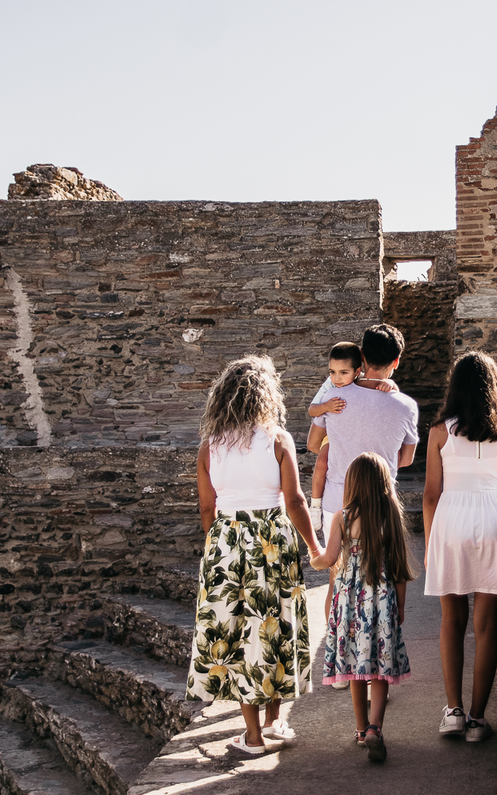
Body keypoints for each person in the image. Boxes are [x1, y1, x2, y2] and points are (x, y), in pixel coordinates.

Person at [185, 355, 322, 755]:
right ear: (267, 396)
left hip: (227, 541)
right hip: (271, 539)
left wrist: (220, 543)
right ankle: (274, 722)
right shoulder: (278, 439)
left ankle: (254, 736)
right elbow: (295, 501)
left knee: (239, 633)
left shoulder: (210, 447)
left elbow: (207, 509)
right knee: (273, 625)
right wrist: (314, 546)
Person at [307, 324, 419, 684]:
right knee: (381, 581)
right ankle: (376, 663)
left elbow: (312, 444)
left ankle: (339, 663)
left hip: (339, 501)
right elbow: (405, 460)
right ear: (397, 362)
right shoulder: (405, 405)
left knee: (337, 584)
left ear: (362, 359)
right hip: (382, 507)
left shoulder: (337, 394)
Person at [422, 351, 497, 743]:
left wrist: (432, 545)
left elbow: (430, 496)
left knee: (452, 622)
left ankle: (454, 712)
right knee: (486, 626)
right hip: (492, 520)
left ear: (455, 387)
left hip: (450, 522)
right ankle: (478, 721)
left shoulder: (440, 432)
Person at [311, 453, 415, 762]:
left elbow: (328, 559)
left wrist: (313, 556)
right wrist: (401, 608)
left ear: (352, 484)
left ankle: (359, 728)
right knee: (381, 668)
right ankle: (375, 728)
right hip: (382, 601)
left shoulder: (342, 517)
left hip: (350, 601)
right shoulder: (390, 517)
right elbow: (398, 568)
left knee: (355, 665)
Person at [305, 341, 397, 533]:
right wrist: (326, 407)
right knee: (322, 462)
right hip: (331, 434)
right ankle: (315, 505)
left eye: (343, 373)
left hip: (353, 433)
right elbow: (312, 409)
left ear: (357, 371)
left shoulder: (364, 382)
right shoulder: (329, 386)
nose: (337, 378)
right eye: (332, 372)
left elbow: (382, 391)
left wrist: (390, 383)